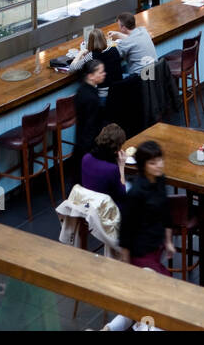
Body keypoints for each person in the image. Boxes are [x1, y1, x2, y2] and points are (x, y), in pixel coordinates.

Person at [118, 140, 175, 273]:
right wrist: (126, 264)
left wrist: (168, 242)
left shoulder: (160, 179)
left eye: (160, 160)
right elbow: (126, 229)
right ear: (143, 166)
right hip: (141, 251)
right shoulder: (136, 193)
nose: (159, 165)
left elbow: (166, 211)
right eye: (152, 163)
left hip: (157, 244)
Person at [73, 60, 108, 176]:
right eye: (101, 72)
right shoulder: (91, 98)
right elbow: (91, 125)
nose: (104, 74)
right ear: (91, 76)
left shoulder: (82, 90)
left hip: (80, 140)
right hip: (88, 145)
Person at [81, 123, 128, 203]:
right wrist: (121, 166)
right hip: (105, 207)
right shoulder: (112, 169)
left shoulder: (86, 157)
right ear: (117, 148)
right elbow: (122, 193)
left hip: (88, 202)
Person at [113, 11, 157, 76]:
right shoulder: (143, 30)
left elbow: (114, 53)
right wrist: (119, 34)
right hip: (154, 73)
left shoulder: (126, 43)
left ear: (124, 28)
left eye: (119, 26)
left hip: (140, 79)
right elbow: (133, 39)